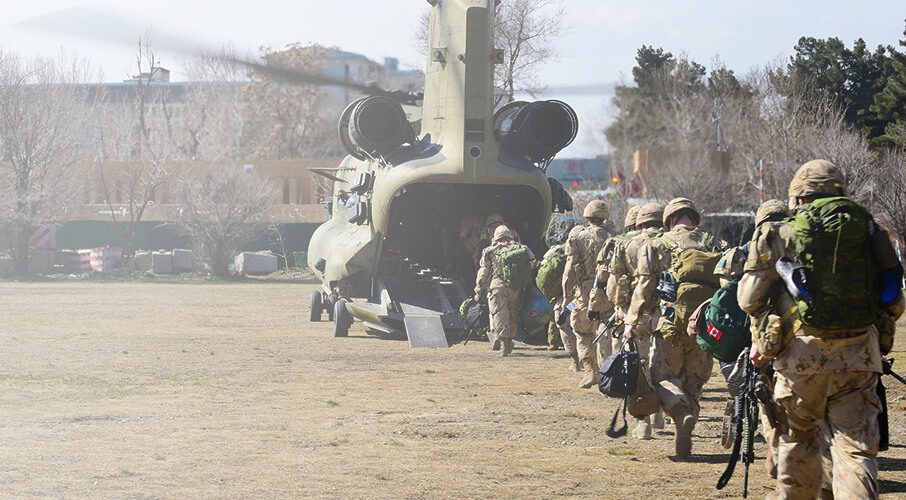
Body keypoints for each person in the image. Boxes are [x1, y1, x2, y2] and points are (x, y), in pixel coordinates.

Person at [738, 160, 905, 498]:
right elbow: (895, 301)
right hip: (859, 357)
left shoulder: (778, 233)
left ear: (798, 196)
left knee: (799, 440)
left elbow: (748, 298)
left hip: (801, 360)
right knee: (855, 449)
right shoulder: (868, 230)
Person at [624, 197, 726, 457]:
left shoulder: (656, 245)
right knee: (695, 381)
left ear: (669, 219)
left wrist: (631, 320)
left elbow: (644, 286)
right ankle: (687, 421)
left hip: (668, 326)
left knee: (662, 378)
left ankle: (679, 414)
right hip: (704, 326)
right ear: (694, 218)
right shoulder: (717, 244)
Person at [601, 202, 665, 439]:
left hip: (636, 314)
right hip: (667, 315)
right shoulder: (671, 242)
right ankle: (661, 415)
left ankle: (644, 421)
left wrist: (620, 309)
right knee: (663, 365)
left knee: (639, 366)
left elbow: (615, 284)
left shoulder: (626, 245)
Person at [563, 200, 613, 388]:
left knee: (582, 331)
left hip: (583, 291)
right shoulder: (613, 238)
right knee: (605, 330)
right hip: (607, 289)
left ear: (587, 216)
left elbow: (569, 271)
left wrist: (567, 295)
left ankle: (590, 371)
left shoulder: (577, 237)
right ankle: (606, 373)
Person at [475, 225, 536, 357]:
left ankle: (503, 345)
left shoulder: (490, 251)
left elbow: (484, 271)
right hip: (515, 287)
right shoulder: (522, 248)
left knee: (499, 314)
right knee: (513, 313)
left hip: (497, 286)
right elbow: (532, 264)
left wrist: (479, 288)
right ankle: (509, 341)